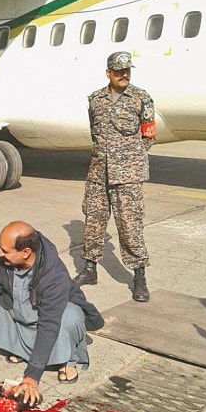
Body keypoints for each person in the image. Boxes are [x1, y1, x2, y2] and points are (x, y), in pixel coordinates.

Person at [0, 221, 104, 405]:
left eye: (5, 251)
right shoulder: (2, 258)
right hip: (20, 312)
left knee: (71, 317)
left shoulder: (53, 274)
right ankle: (22, 350)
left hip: (49, 320)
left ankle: (67, 359)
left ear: (26, 252)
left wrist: (31, 378)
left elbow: (49, 325)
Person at [74, 51, 156, 302]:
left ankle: (139, 276)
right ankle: (89, 269)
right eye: (119, 71)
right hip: (99, 172)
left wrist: (130, 158)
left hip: (128, 175)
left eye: (127, 70)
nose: (124, 75)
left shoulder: (141, 98)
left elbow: (149, 135)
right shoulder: (95, 100)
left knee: (130, 225)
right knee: (93, 221)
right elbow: (94, 133)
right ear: (108, 72)